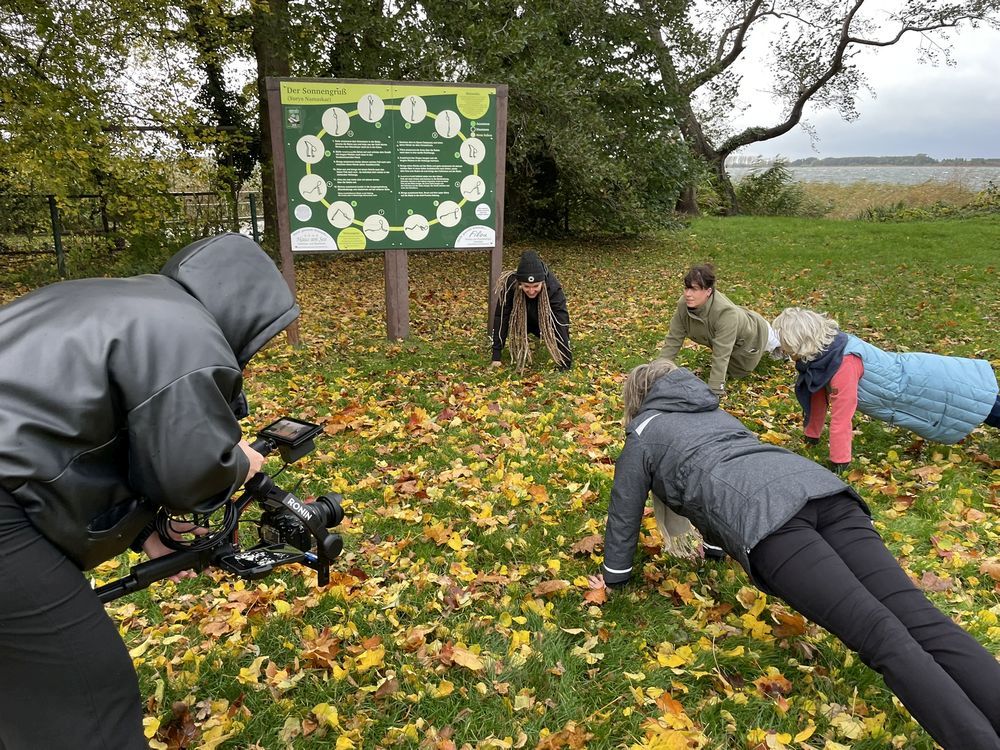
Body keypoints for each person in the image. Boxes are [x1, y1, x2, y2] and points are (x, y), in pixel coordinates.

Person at [601, 358, 1000, 750]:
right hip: (825, 493)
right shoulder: (714, 411)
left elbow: (626, 509)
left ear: (637, 397)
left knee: (880, 634)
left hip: (771, 524)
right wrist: (715, 550)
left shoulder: (644, 431)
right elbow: (714, 482)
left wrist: (614, 577)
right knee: (920, 617)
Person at [0, 233, 299, 750]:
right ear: (246, 306)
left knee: (25, 680)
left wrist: (143, 534)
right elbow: (187, 473)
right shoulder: (188, 332)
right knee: (87, 694)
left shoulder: (110, 297)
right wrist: (239, 465)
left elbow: (75, 438)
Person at [772, 306, 1000, 469]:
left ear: (800, 340)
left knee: (982, 405)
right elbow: (817, 395)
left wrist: (839, 462)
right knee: (981, 405)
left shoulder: (844, 364)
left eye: (786, 344)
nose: (784, 349)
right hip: (917, 377)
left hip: (932, 382)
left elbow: (843, 416)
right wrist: (811, 437)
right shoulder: (822, 358)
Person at [659, 263, 779, 396]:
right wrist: (656, 375)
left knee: (781, 347)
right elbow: (673, 341)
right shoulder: (683, 305)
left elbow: (721, 353)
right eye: (686, 288)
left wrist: (714, 391)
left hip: (757, 333)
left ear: (708, 291)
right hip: (737, 327)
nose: (688, 294)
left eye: (694, 289)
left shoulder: (725, 314)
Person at [491, 250, 571, 371]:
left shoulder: (552, 288)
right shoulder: (510, 285)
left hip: (543, 321)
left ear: (542, 283)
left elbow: (561, 321)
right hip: (522, 319)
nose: (531, 290)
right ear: (519, 283)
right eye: (526, 286)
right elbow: (501, 317)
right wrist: (496, 356)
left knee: (556, 324)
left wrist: (565, 360)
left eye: (535, 286)